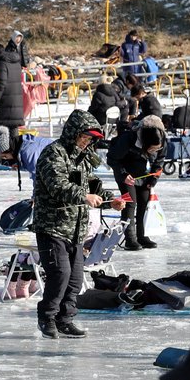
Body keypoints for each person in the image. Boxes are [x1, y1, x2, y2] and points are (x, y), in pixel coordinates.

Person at [32, 111, 123, 339]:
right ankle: (47, 317)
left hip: (75, 228)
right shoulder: (54, 154)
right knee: (59, 275)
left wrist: (112, 201)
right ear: (74, 133)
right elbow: (58, 186)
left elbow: (93, 187)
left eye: (91, 139)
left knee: (74, 279)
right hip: (52, 226)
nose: (87, 142)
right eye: (85, 137)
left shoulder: (82, 157)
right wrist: (84, 197)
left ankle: (65, 318)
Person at [106, 116, 165, 251]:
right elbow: (112, 158)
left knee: (144, 202)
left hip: (144, 174)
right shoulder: (128, 139)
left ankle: (142, 235)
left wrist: (153, 179)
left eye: (156, 149)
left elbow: (160, 160)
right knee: (130, 203)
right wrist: (123, 174)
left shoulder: (161, 138)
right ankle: (130, 238)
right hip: (125, 172)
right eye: (151, 149)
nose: (154, 151)